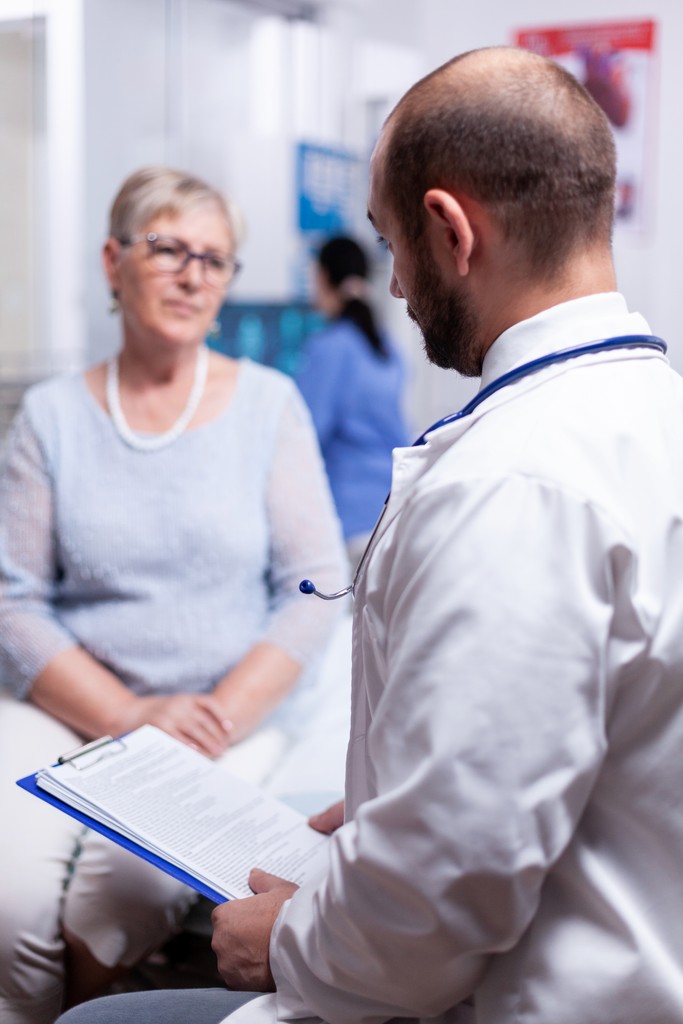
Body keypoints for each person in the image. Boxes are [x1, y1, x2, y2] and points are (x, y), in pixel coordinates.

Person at [55, 44, 683, 1024]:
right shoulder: (647, 414)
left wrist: (282, 939)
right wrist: (414, 789)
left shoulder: (509, 485)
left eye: (391, 245)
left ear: (447, 229)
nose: (394, 286)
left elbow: (432, 912)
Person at [0, 165, 346, 1024]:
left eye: (215, 259)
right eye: (168, 248)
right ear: (113, 260)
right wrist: (127, 715)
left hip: (218, 716)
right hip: (70, 704)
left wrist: (212, 715)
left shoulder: (269, 404)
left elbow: (314, 590)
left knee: (126, 893)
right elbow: (14, 602)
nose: (194, 274)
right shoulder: (50, 415)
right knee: (8, 901)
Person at [295, 235, 409, 566]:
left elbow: (304, 433)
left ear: (324, 277)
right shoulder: (387, 348)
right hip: (389, 510)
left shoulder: (330, 347)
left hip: (347, 516)